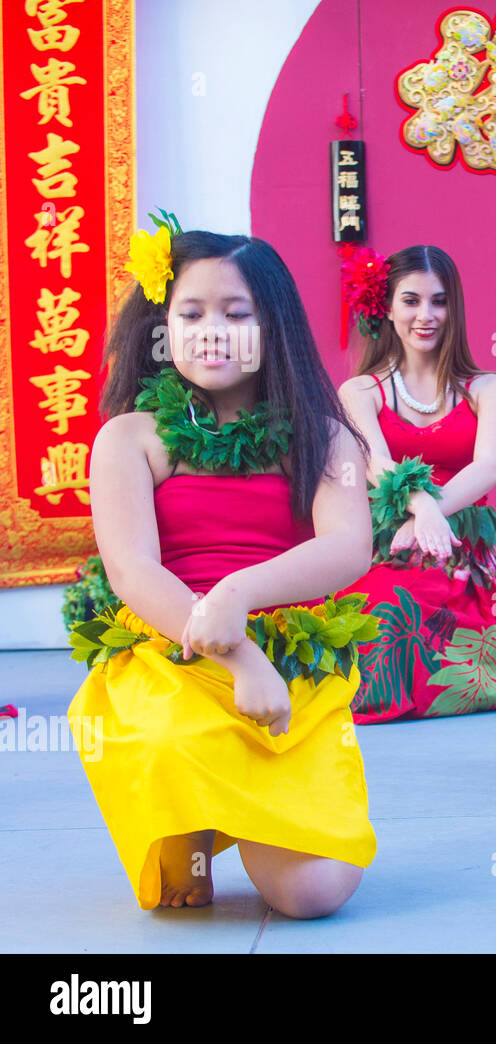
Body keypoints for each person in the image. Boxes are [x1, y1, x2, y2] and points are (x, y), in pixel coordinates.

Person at [67, 218, 378, 915]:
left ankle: (257, 800)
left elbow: (347, 546)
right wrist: (236, 655)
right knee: (180, 882)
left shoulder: (325, 436)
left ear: (273, 327)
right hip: (170, 655)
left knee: (310, 895)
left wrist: (237, 592)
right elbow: (132, 570)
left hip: (294, 659)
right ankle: (201, 807)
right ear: (162, 326)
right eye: (191, 313)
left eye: (236, 314)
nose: (212, 330)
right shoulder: (129, 438)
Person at [335, 245, 496, 722]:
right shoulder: (361, 391)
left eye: (439, 301)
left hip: (464, 545)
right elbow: (376, 462)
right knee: (383, 623)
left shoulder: (487, 388)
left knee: (454, 636)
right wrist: (419, 509)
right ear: (386, 307)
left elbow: (488, 470)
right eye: (411, 300)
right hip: (390, 537)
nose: (427, 315)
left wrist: (434, 515)